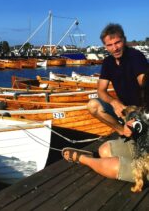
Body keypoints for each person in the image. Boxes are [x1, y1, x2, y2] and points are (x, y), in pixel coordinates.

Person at [62, 23, 148, 183]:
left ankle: (85, 159)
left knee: (112, 157)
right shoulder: (108, 62)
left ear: (124, 40)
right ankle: (122, 131)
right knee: (93, 105)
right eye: (110, 45)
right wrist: (114, 102)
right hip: (124, 111)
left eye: (118, 42)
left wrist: (138, 116)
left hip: (141, 113)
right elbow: (101, 90)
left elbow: (144, 82)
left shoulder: (135, 57)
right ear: (105, 46)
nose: (115, 48)